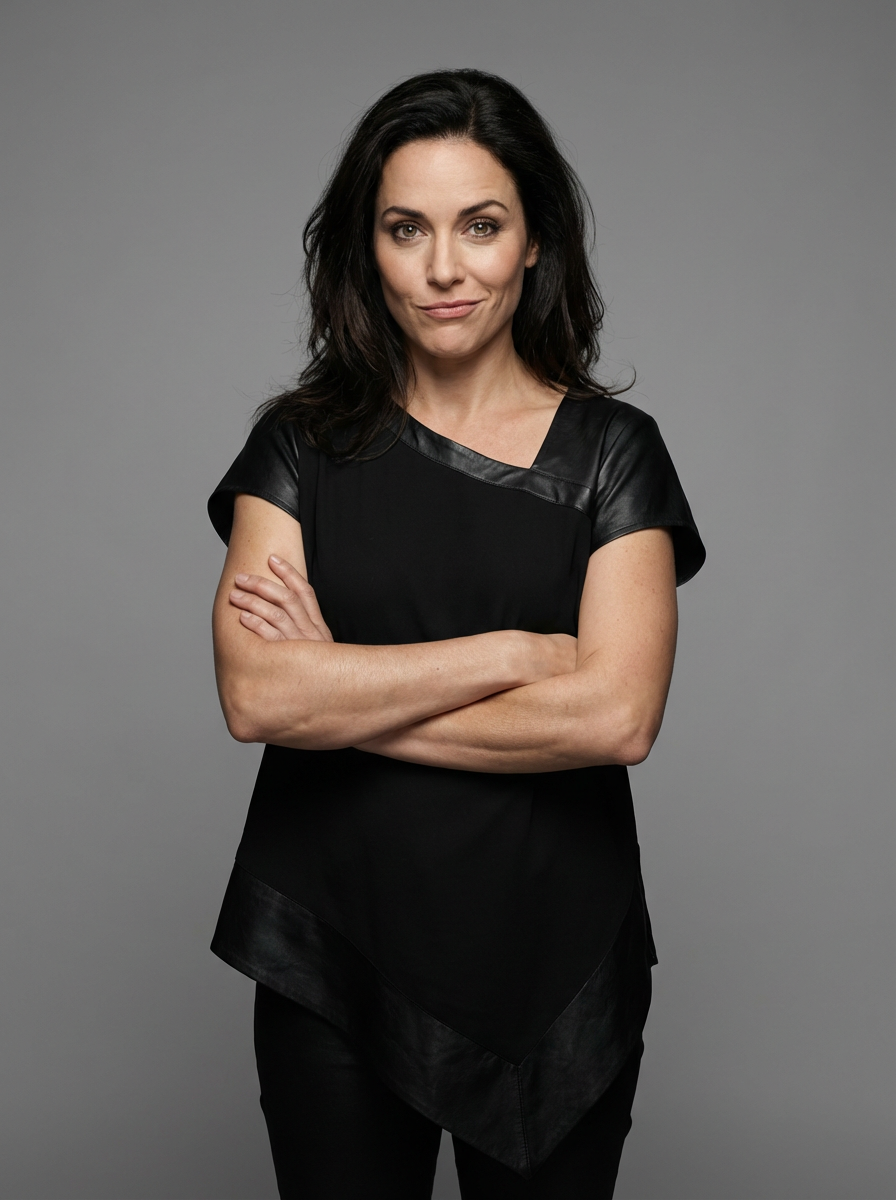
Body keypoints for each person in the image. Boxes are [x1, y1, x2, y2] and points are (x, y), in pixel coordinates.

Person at [208, 69, 705, 1200]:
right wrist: (517, 654)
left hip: (554, 956)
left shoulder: (615, 453)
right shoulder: (297, 448)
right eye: (406, 229)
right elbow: (258, 699)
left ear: (534, 243)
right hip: (332, 942)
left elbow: (616, 718)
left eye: (480, 226)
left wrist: (340, 690)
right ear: (366, 248)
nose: (443, 268)